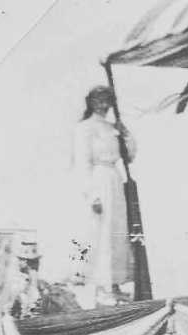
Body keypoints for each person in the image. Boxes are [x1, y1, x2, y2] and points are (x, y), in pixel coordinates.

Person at [73, 85, 135, 306]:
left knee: (117, 233)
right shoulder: (85, 128)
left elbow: (130, 155)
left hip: (115, 180)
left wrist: (124, 132)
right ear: (90, 102)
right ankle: (100, 287)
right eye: (99, 99)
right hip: (98, 181)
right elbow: (82, 163)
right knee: (99, 234)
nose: (103, 104)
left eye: (107, 100)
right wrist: (92, 195)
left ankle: (115, 284)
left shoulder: (112, 128)